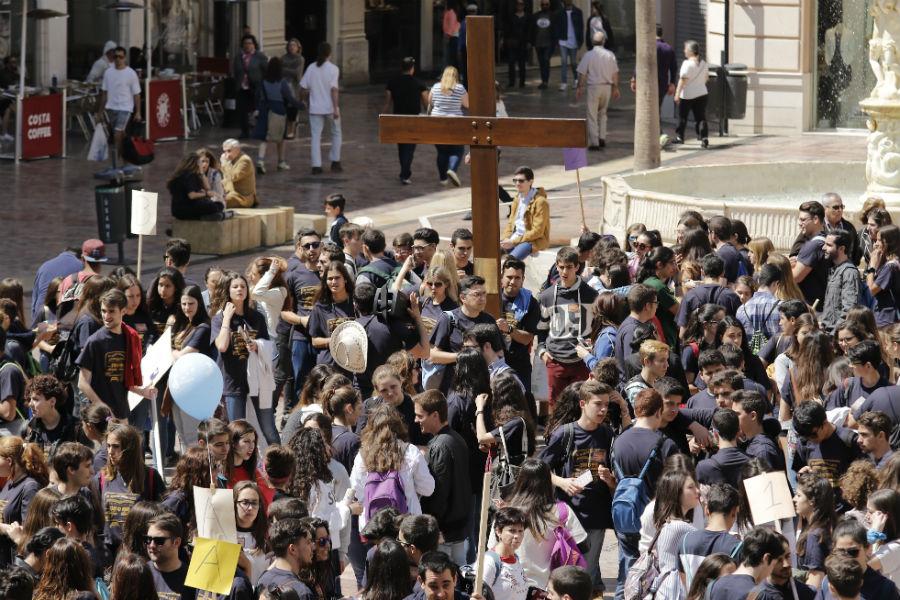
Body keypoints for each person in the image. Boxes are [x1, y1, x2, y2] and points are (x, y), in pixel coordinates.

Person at [540, 380, 615, 595]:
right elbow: (540, 468)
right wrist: (562, 482)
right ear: (583, 403)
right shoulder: (565, 434)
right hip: (569, 514)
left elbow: (613, 474)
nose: (603, 409)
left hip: (596, 514)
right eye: (598, 404)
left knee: (588, 570)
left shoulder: (607, 434)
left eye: (606, 405)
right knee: (567, 570)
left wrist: (609, 479)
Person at [497, 459, 588, 590]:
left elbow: (493, 548)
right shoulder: (562, 511)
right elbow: (583, 545)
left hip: (511, 586)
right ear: (548, 481)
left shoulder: (506, 513)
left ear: (520, 481)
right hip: (550, 589)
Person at [211, 271, 278, 445]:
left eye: (243, 286)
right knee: (236, 431)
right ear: (228, 290)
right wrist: (227, 319)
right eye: (235, 287)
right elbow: (222, 346)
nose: (240, 289)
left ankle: (280, 463)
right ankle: (238, 468)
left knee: (269, 428)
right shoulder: (219, 319)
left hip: (258, 379)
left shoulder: (256, 317)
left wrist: (257, 346)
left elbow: (268, 346)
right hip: (233, 381)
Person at [76, 289, 156, 425]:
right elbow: (82, 383)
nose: (106, 316)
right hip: (100, 416)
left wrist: (143, 391)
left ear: (123, 311)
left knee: (124, 446)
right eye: (103, 311)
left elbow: (125, 380)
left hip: (121, 412)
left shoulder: (129, 338)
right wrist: (103, 409)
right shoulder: (95, 342)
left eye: (111, 311)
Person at [350, 404, 435, 530]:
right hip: (406, 526)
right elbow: (428, 489)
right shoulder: (410, 451)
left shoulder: (362, 455)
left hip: (373, 528)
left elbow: (355, 489)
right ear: (398, 425)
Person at [414, 390, 472, 565]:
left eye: (420, 416)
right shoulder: (457, 439)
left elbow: (438, 492)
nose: (416, 420)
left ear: (435, 415)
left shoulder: (440, 446)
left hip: (444, 533)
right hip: (458, 529)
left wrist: (432, 527)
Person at [537, 247, 599, 404]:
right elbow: (541, 328)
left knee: (582, 405)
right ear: (557, 266)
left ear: (577, 267)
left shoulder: (591, 295)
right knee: (556, 406)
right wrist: (543, 352)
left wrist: (592, 350)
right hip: (555, 360)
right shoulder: (546, 296)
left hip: (581, 362)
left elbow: (598, 325)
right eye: (561, 266)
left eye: (569, 267)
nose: (564, 271)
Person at [677, 483, 741, 590]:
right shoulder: (737, 547)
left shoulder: (684, 540)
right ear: (734, 512)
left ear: (707, 510)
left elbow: (683, 580)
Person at [705, 526, 784, 600]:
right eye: (773, 565)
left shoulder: (713, 586)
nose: (769, 573)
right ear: (766, 558)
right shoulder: (762, 596)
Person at [384, 57, 428, 185]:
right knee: (410, 147)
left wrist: (383, 116)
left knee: (401, 146)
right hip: (413, 118)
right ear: (412, 69)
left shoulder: (392, 82)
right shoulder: (419, 83)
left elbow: (387, 102)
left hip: (398, 117)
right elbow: (426, 102)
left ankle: (404, 171)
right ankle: (405, 173)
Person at [301, 42, 342, 175]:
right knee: (336, 133)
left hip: (315, 107)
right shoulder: (333, 69)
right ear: (330, 53)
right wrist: (335, 108)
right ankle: (335, 160)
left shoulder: (311, 68)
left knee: (315, 136)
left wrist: (304, 100)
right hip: (330, 107)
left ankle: (316, 165)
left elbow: (303, 87)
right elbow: (334, 90)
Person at [254, 56, 299, 174]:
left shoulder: (263, 81)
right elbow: (289, 97)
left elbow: (257, 95)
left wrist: (256, 108)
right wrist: (300, 105)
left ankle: (260, 160)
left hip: (264, 109)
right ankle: (281, 162)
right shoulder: (282, 82)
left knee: (264, 137)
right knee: (281, 137)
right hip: (278, 109)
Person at [98, 45, 141, 166]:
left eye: (120, 57)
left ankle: (117, 161)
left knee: (118, 133)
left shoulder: (131, 73)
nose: (118, 59)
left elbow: (136, 94)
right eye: (115, 56)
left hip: (125, 108)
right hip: (111, 108)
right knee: (121, 136)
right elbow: (104, 93)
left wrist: (138, 112)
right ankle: (126, 160)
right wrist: (100, 112)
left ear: (125, 58)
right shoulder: (108, 73)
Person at [576, 31, 619, 150]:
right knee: (603, 113)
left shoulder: (588, 55)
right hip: (607, 87)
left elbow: (583, 73)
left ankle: (594, 142)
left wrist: (580, 87)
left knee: (592, 114)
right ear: (604, 41)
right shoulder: (610, 55)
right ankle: (602, 138)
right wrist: (615, 88)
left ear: (592, 41)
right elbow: (615, 73)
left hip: (594, 87)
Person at [428, 66, 469, 186]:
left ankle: (443, 179)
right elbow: (467, 104)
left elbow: (430, 102)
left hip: (437, 123)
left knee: (442, 151)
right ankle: (452, 169)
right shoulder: (460, 88)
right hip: (455, 123)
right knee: (457, 149)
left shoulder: (435, 87)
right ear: (456, 76)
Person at [256, 518, 317, 598]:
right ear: (292, 549)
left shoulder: (263, 580)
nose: (313, 547)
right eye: (308, 542)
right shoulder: (302, 592)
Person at [501, 166, 550, 259]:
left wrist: (514, 242)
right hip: (515, 237)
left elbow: (538, 232)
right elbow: (511, 223)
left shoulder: (540, 202)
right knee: (490, 253)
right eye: (515, 180)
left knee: (511, 261)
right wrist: (505, 238)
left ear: (530, 182)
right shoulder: (517, 198)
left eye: (521, 181)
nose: (517, 183)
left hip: (532, 241)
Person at [481, 506, 530, 600]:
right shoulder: (489, 562)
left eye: (520, 531)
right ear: (498, 531)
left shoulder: (516, 559)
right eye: (512, 531)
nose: (517, 536)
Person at [24, 374, 78, 453]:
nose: (30, 404)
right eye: (30, 399)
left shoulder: (75, 428)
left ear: (52, 401)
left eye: (36, 399)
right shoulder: (31, 429)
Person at [821, 229, 861, 333]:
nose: (823, 248)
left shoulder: (849, 272)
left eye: (829, 245)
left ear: (842, 248)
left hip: (836, 336)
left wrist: (835, 334)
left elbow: (849, 310)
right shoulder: (834, 270)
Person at [30, 246, 82, 324]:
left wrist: (34, 318)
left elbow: (35, 296)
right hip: (63, 319)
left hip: (41, 315)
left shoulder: (44, 266)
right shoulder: (81, 266)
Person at [167, 152, 224, 220]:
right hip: (186, 209)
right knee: (218, 205)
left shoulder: (180, 174)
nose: (202, 165)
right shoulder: (190, 175)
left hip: (176, 210)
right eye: (200, 162)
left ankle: (207, 217)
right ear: (196, 163)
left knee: (211, 204)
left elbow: (207, 187)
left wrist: (202, 173)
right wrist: (205, 194)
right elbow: (192, 195)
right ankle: (208, 217)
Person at [674, 40, 709, 148]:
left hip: (687, 95)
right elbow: (706, 78)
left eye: (685, 49)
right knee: (701, 117)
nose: (684, 51)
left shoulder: (686, 64)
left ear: (690, 51)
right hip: (702, 93)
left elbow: (682, 80)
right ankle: (704, 138)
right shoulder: (704, 64)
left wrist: (677, 93)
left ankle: (680, 137)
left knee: (683, 116)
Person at [232, 34, 267, 139]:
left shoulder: (260, 56)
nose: (247, 45)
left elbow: (266, 71)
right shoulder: (238, 57)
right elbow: (235, 71)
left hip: (255, 87)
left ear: (254, 45)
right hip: (242, 87)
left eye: (250, 43)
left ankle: (258, 131)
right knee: (242, 110)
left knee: (256, 110)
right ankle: (244, 131)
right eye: (245, 43)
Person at [865, 224, 900, 328]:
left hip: (886, 321)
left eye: (879, 240)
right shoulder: (892, 263)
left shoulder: (891, 266)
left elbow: (871, 290)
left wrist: (872, 267)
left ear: (889, 243)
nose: (876, 244)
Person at [822, 192, 862, 266]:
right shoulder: (818, 226)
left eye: (842, 207)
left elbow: (855, 253)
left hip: (844, 273)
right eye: (836, 207)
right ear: (825, 209)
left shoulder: (849, 228)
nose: (840, 210)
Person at [553, 0, 584, 91]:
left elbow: (581, 27)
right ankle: (564, 82)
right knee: (563, 61)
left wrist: (580, 41)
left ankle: (576, 79)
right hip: (563, 40)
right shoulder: (559, 13)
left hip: (573, 41)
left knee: (573, 62)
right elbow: (557, 26)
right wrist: (557, 38)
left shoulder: (578, 12)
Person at [220, 138, 258, 208]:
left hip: (242, 198)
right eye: (224, 151)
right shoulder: (231, 159)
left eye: (229, 151)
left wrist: (224, 163)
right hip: (230, 193)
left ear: (237, 150)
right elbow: (226, 178)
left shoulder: (245, 160)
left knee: (219, 202)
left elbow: (233, 177)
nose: (226, 154)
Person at [282, 38, 305, 139]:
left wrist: (284, 70)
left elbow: (297, 73)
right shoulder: (283, 58)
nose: (292, 47)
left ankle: (291, 130)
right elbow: (279, 70)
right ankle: (285, 129)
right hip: (283, 86)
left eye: (294, 45)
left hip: (294, 87)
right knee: (284, 108)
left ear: (298, 47)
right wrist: (288, 71)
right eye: (290, 45)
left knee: (292, 108)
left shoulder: (300, 59)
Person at [530, 0, 555, 89]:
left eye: (546, 4)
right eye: (543, 4)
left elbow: (555, 30)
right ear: (541, 5)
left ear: (549, 5)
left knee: (546, 60)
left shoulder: (553, 15)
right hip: (538, 43)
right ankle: (543, 80)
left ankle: (545, 81)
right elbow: (532, 29)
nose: (545, 6)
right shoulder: (536, 16)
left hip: (549, 43)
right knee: (541, 63)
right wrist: (531, 42)